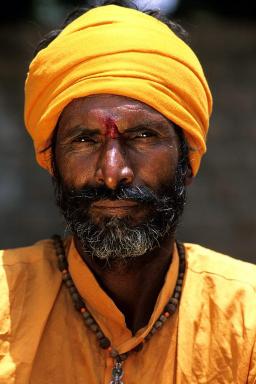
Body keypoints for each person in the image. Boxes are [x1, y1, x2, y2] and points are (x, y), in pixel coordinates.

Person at [0, 1, 255, 383]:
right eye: (85, 140)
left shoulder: (246, 317)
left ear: (187, 158)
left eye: (142, 136)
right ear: (52, 160)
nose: (112, 173)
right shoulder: (5, 301)